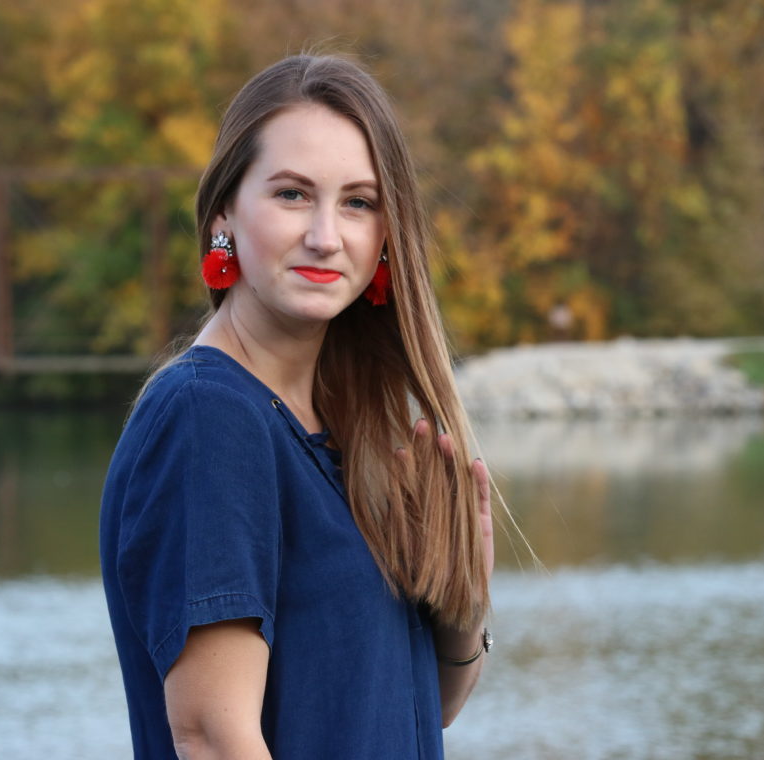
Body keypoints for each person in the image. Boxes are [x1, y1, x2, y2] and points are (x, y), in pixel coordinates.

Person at [100, 54, 494, 759]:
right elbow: (215, 740)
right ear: (224, 211)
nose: (325, 235)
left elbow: (411, 711)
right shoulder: (210, 417)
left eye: (358, 202)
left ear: (384, 238)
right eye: (291, 194)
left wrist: (461, 610)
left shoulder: (342, 434)